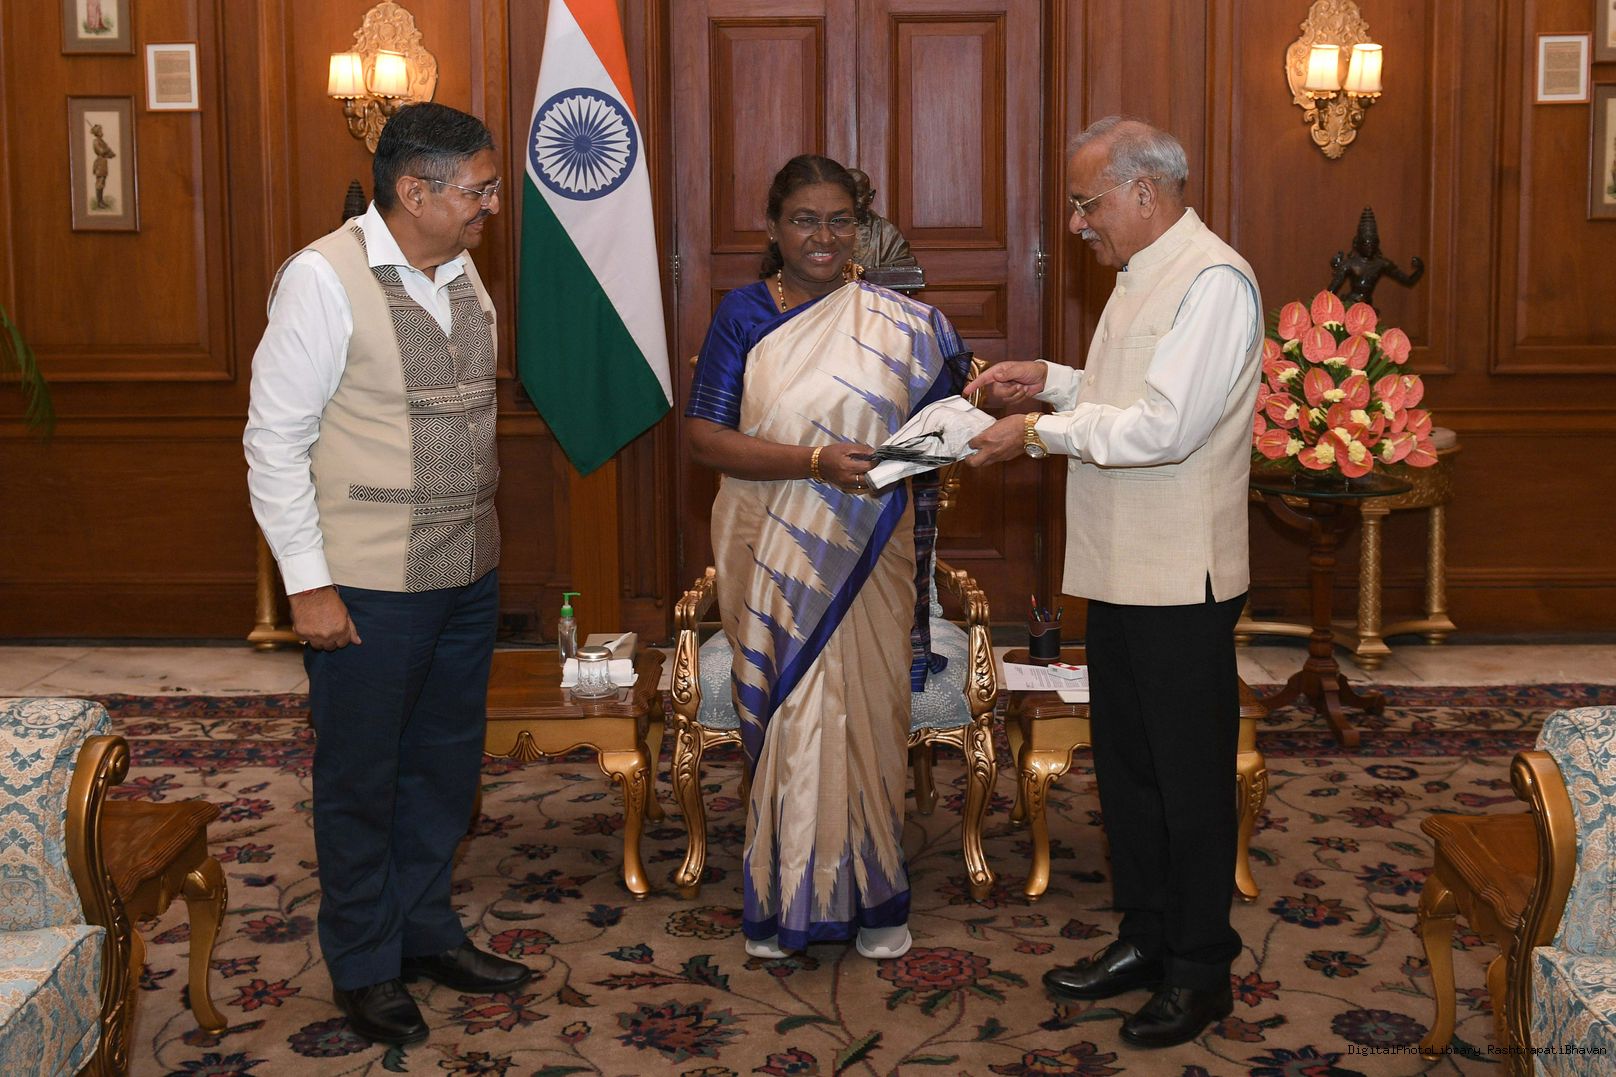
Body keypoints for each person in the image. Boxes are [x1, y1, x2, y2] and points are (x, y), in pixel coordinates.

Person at [965, 117, 1262, 1049]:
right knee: (1130, 771)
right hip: (1125, 566)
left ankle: (1200, 968)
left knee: (1189, 780)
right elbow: (1126, 391)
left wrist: (1037, 433)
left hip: (1181, 575)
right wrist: (1052, 381)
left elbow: (1165, 428)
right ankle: (1146, 937)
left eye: (1086, 203)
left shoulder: (1213, 281)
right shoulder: (1142, 273)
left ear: (1143, 192)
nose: (1077, 222)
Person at [243, 103, 529, 1046]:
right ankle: (365, 961)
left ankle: (425, 930)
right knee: (362, 777)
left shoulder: (463, 269)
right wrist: (308, 584)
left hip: (467, 569)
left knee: (442, 767)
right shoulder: (321, 280)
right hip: (365, 581)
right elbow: (274, 443)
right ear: (414, 191)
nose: (491, 206)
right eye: (479, 190)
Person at [686, 154, 968, 961]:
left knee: (868, 719)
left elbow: (945, 422)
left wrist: (981, 418)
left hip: (870, 550)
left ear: (861, 227)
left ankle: (875, 896)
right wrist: (812, 462)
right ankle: (784, 899)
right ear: (774, 228)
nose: (823, 235)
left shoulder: (901, 322)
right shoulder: (744, 314)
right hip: (772, 550)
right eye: (804, 219)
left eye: (840, 220)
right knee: (793, 720)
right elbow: (705, 438)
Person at [847, 167, 918, 270]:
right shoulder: (826, 231)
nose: (852, 201)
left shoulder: (888, 233)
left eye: (858, 194)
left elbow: (903, 270)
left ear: (870, 196)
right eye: (847, 195)